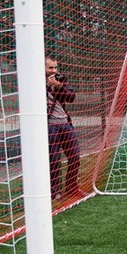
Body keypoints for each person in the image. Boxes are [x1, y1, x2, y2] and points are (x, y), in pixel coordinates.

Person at [45, 55, 81, 200]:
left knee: (75, 155)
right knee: (54, 159)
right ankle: (55, 192)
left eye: (55, 67)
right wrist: (48, 86)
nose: (53, 70)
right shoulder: (35, 82)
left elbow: (71, 97)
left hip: (65, 123)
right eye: (50, 67)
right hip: (49, 125)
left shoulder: (61, 79)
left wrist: (59, 87)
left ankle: (72, 187)